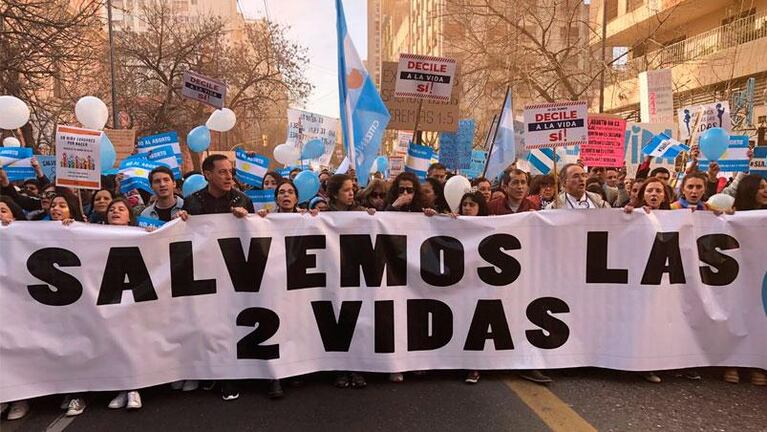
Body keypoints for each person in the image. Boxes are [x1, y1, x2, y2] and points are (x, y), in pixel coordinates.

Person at [177, 154, 253, 401]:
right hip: (204, 272)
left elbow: (257, 235)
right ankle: (213, 371)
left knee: (230, 323)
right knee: (209, 324)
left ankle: (229, 375)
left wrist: (249, 219)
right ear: (207, 175)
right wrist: (181, 222)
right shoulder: (192, 202)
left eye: (230, 171)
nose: (229, 176)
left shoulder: (243, 199)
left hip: (234, 271)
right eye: (222, 172)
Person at [325, 174, 374, 388]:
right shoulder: (324, 215)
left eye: (352, 188)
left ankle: (357, 367)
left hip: (357, 275)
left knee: (358, 320)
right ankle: (340, 369)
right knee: (337, 320)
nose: (351, 192)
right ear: (334, 193)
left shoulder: (361, 213)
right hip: (333, 275)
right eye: (346, 190)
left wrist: (374, 219)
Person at [105, 198, 150, 410]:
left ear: (130, 216)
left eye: (121, 209)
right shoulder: (92, 235)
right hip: (109, 299)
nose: (115, 212)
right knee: (116, 343)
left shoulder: (141, 233)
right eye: (111, 210)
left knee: (132, 342)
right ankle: (123, 387)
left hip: (135, 298)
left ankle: (134, 388)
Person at [723, 174, 767, 385]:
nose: (765, 191)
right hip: (737, 274)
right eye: (760, 187)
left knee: (760, 316)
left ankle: (758, 364)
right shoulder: (734, 212)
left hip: (761, 275)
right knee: (737, 313)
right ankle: (732, 362)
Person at [0, 196, 30, 420]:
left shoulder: (25, 236)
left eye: (3, 210)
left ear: (14, 215)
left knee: (16, 348)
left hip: (19, 304)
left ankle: (21, 398)